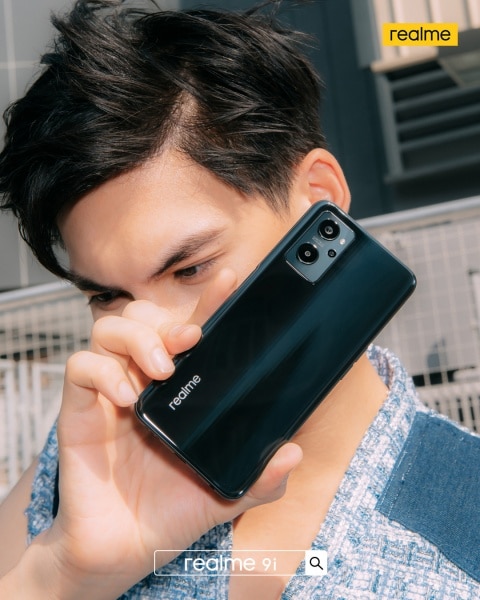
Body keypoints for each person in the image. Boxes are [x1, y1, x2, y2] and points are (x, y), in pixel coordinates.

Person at [0, 1, 479, 598]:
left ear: (319, 200)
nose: (152, 335)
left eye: (190, 268)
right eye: (107, 295)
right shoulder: (90, 467)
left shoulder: (462, 524)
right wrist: (64, 575)